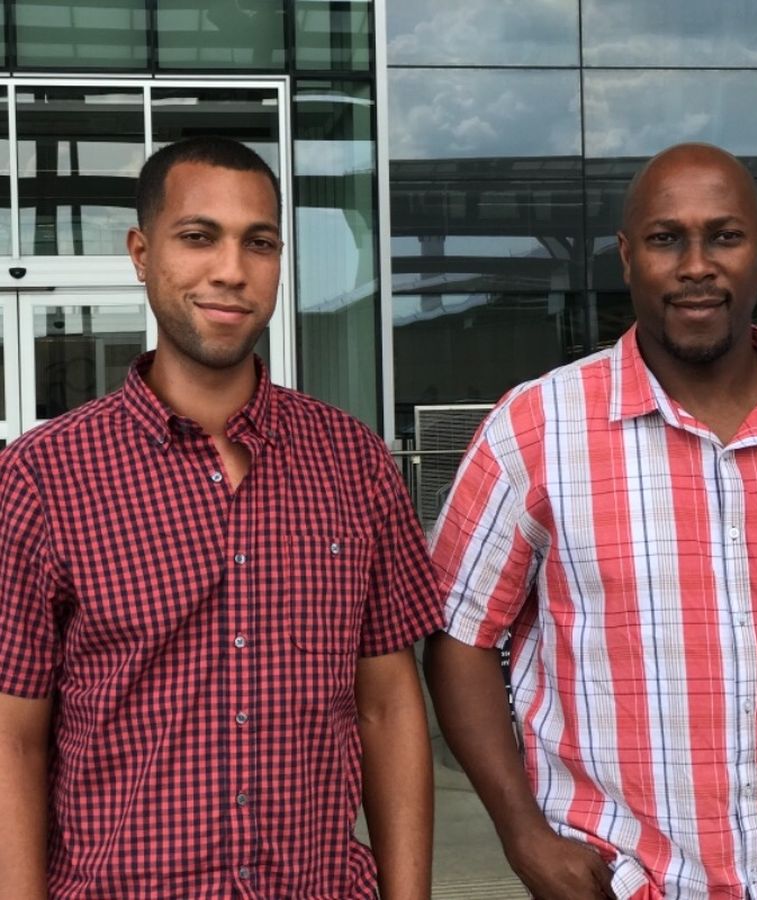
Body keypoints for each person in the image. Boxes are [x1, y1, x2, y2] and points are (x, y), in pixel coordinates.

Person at [424, 142, 757, 900]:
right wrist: (524, 835)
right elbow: (457, 637)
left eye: (724, 236)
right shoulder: (534, 431)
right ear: (627, 257)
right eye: (667, 239)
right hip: (617, 881)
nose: (697, 266)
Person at [0, 137, 443, 898]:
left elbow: (387, 706)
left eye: (259, 243)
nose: (232, 270)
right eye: (198, 236)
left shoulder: (355, 464)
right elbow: (13, 740)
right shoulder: (42, 478)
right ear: (142, 254)